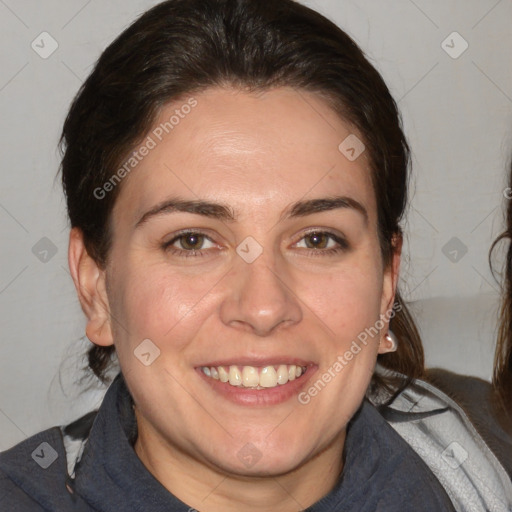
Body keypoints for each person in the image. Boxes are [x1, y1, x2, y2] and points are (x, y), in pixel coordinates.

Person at [0, 0, 510, 510]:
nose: (264, 307)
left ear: (385, 285)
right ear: (96, 289)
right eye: (192, 241)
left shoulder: (492, 444)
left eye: (317, 240)